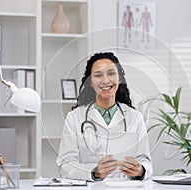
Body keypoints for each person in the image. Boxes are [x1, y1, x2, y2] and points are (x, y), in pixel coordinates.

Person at [56, 52, 153, 181]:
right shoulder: (74, 118)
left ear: (119, 79)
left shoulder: (135, 117)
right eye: (98, 75)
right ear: (90, 81)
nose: (106, 80)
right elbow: (65, 164)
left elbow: (145, 160)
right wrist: (93, 172)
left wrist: (141, 170)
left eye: (111, 73)